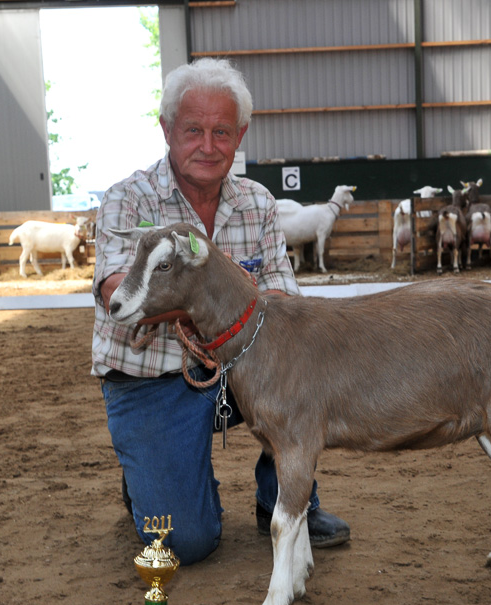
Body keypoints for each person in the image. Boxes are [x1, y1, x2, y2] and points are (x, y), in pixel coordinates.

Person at [92, 58, 350, 565]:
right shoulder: (127, 199)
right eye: (192, 130)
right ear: (166, 129)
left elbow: (285, 300)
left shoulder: (258, 202)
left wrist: (223, 306)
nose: (207, 146)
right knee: (186, 542)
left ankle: (283, 498)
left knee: (293, 372)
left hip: (239, 369)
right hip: (152, 378)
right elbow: (116, 291)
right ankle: (151, 474)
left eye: (221, 132)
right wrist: (204, 299)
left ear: (241, 134)